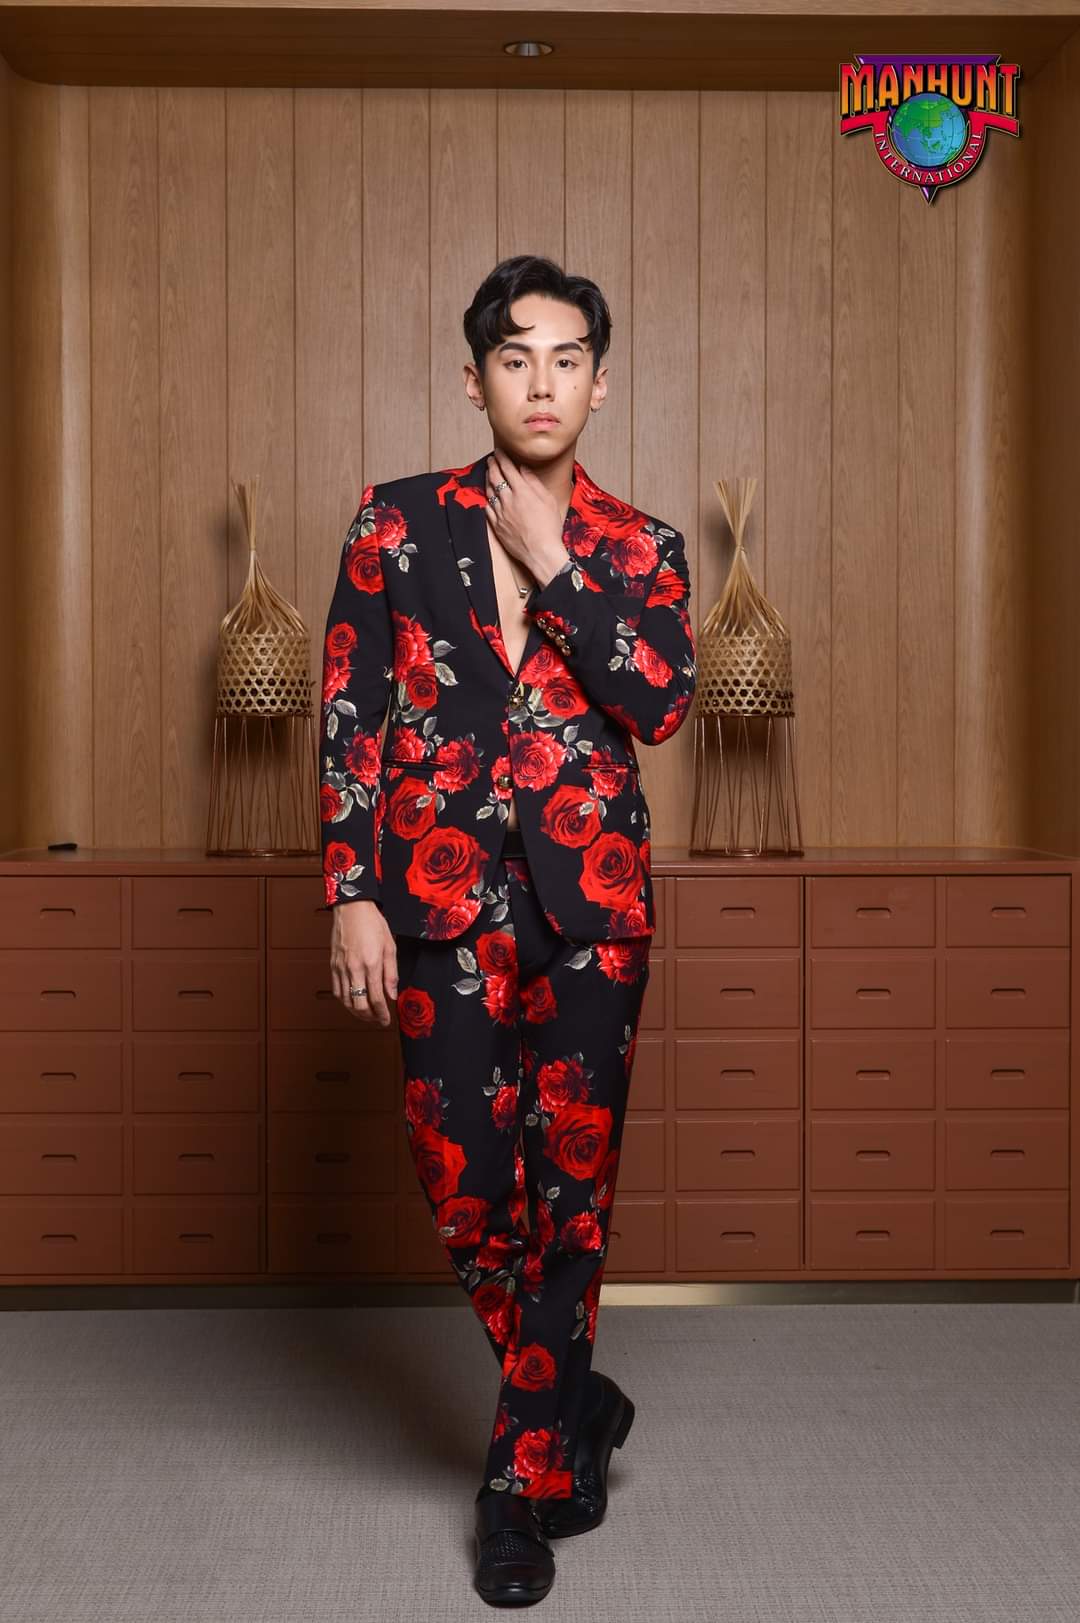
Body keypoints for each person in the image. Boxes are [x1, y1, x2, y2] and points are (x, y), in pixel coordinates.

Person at [318, 253, 696, 1606]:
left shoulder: (643, 546)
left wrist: (556, 565)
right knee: (467, 1186)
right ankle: (575, 1400)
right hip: (439, 902)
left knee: (571, 1199)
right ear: (473, 378)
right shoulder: (395, 525)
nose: (542, 383)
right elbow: (353, 714)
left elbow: (660, 702)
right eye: (514, 358)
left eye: (567, 360)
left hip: (593, 911)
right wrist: (351, 891)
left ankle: (515, 1488)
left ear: (601, 382)